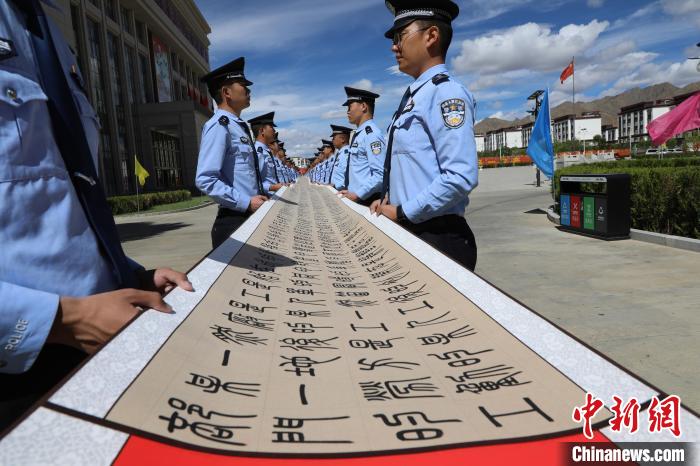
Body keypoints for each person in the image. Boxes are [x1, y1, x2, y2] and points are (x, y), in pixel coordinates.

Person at [0, 0, 193, 429]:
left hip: (101, 333)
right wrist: (62, 319)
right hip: (22, 361)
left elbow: (56, 199)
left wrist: (130, 273)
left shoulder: (48, 34)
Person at [371, 0, 478, 271]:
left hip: (437, 236)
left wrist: (403, 211)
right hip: (413, 230)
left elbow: (460, 176)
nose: (394, 47)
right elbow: (414, 168)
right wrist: (389, 200)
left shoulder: (445, 93)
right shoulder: (415, 97)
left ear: (431, 36)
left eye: (400, 36)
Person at [196, 57, 268, 249]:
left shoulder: (236, 126)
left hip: (249, 215)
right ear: (226, 92)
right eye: (243, 85)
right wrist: (246, 202)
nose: (248, 91)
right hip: (234, 221)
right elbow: (205, 179)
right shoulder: (219, 126)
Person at [339, 87, 386, 206]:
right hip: (356, 198)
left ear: (363, 106)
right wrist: (351, 191)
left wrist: (358, 194)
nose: (347, 112)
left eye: (350, 107)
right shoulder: (360, 134)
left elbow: (380, 174)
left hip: (366, 200)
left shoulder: (372, 134)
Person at [250, 112, 285, 197]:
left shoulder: (266, 152)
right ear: (262, 131)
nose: (274, 130)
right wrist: (272, 187)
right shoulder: (257, 152)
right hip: (266, 198)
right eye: (271, 127)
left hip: (274, 195)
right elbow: (254, 181)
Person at [330, 124, 353, 190]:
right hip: (336, 189)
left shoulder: (347, 154)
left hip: (343, 191)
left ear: (343, 139)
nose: (332, 140)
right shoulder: (340, 154)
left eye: (334, 138)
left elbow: (349, 175)